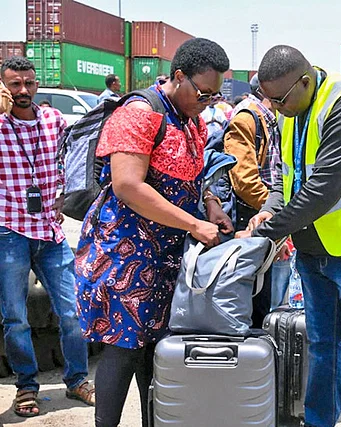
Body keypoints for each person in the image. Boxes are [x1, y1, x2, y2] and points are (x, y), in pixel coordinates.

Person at [237, 45, 341, 427]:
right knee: (323, 347)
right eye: (270, 100)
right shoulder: (291, 110)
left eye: (279, 100)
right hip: (316, 249)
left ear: (305, 81)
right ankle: (319, 421)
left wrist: (265, 232)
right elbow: (287, 177)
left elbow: (321, 191)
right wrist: (269, 207)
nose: (275, 108)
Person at [74, 38, 231, 427]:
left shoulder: (190, 119)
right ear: (179, 77)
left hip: (164, 254)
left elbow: (191, 172)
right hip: (126, 252)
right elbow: (128, 185)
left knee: (154, 350)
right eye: (203, 92)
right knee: (123, 349)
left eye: (216, 94)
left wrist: (209, 202)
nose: (209, 101)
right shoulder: (140, 113)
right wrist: (194, 224)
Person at [0, 56, 94, 418]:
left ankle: (77, 379)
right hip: (9, 231)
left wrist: (66, 196)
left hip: (51, 233)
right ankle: (26, 387)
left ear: (37, 84)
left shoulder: (53, 121)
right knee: (15, 317)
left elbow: (73, 160)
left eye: (28, 83)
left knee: (72, 311)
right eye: (14, 84)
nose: (22, 90)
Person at [221, 73, 288, 321]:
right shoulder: (246, 119)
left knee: (272, 293)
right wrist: (275, 212)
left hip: (269, 215)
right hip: (253, 218)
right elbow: (245, 182)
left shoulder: (272, 119)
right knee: (257, 297)